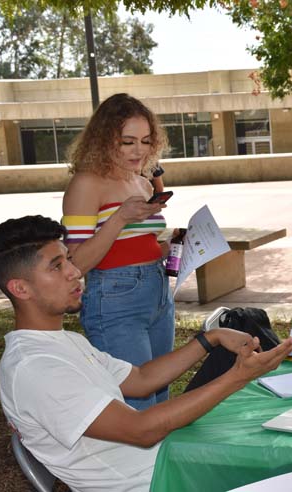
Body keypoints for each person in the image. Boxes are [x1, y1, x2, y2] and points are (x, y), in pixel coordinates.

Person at [0, 215, 292, 492]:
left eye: (68, 258)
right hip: (156, 482)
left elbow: (141, 379)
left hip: (173, 463)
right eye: (56, 266)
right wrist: (237, 377)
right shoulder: (36, 368)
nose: (75, 272)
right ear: (20, 288)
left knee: (291, 442)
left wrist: (211, 338)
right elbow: (142, 430)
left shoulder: (61, 342)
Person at [62, 93, 174, 410]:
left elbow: (136, 245)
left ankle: (161, 460)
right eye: (128, 142)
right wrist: (121, 216)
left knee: (160, 394)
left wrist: (173, 247)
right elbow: (77, 263)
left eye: (146, 141)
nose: (139, 150)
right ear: (105, 139)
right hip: (115, 299)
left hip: (158, 293)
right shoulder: (86, 184)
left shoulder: (142, 182)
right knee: (135, 402)